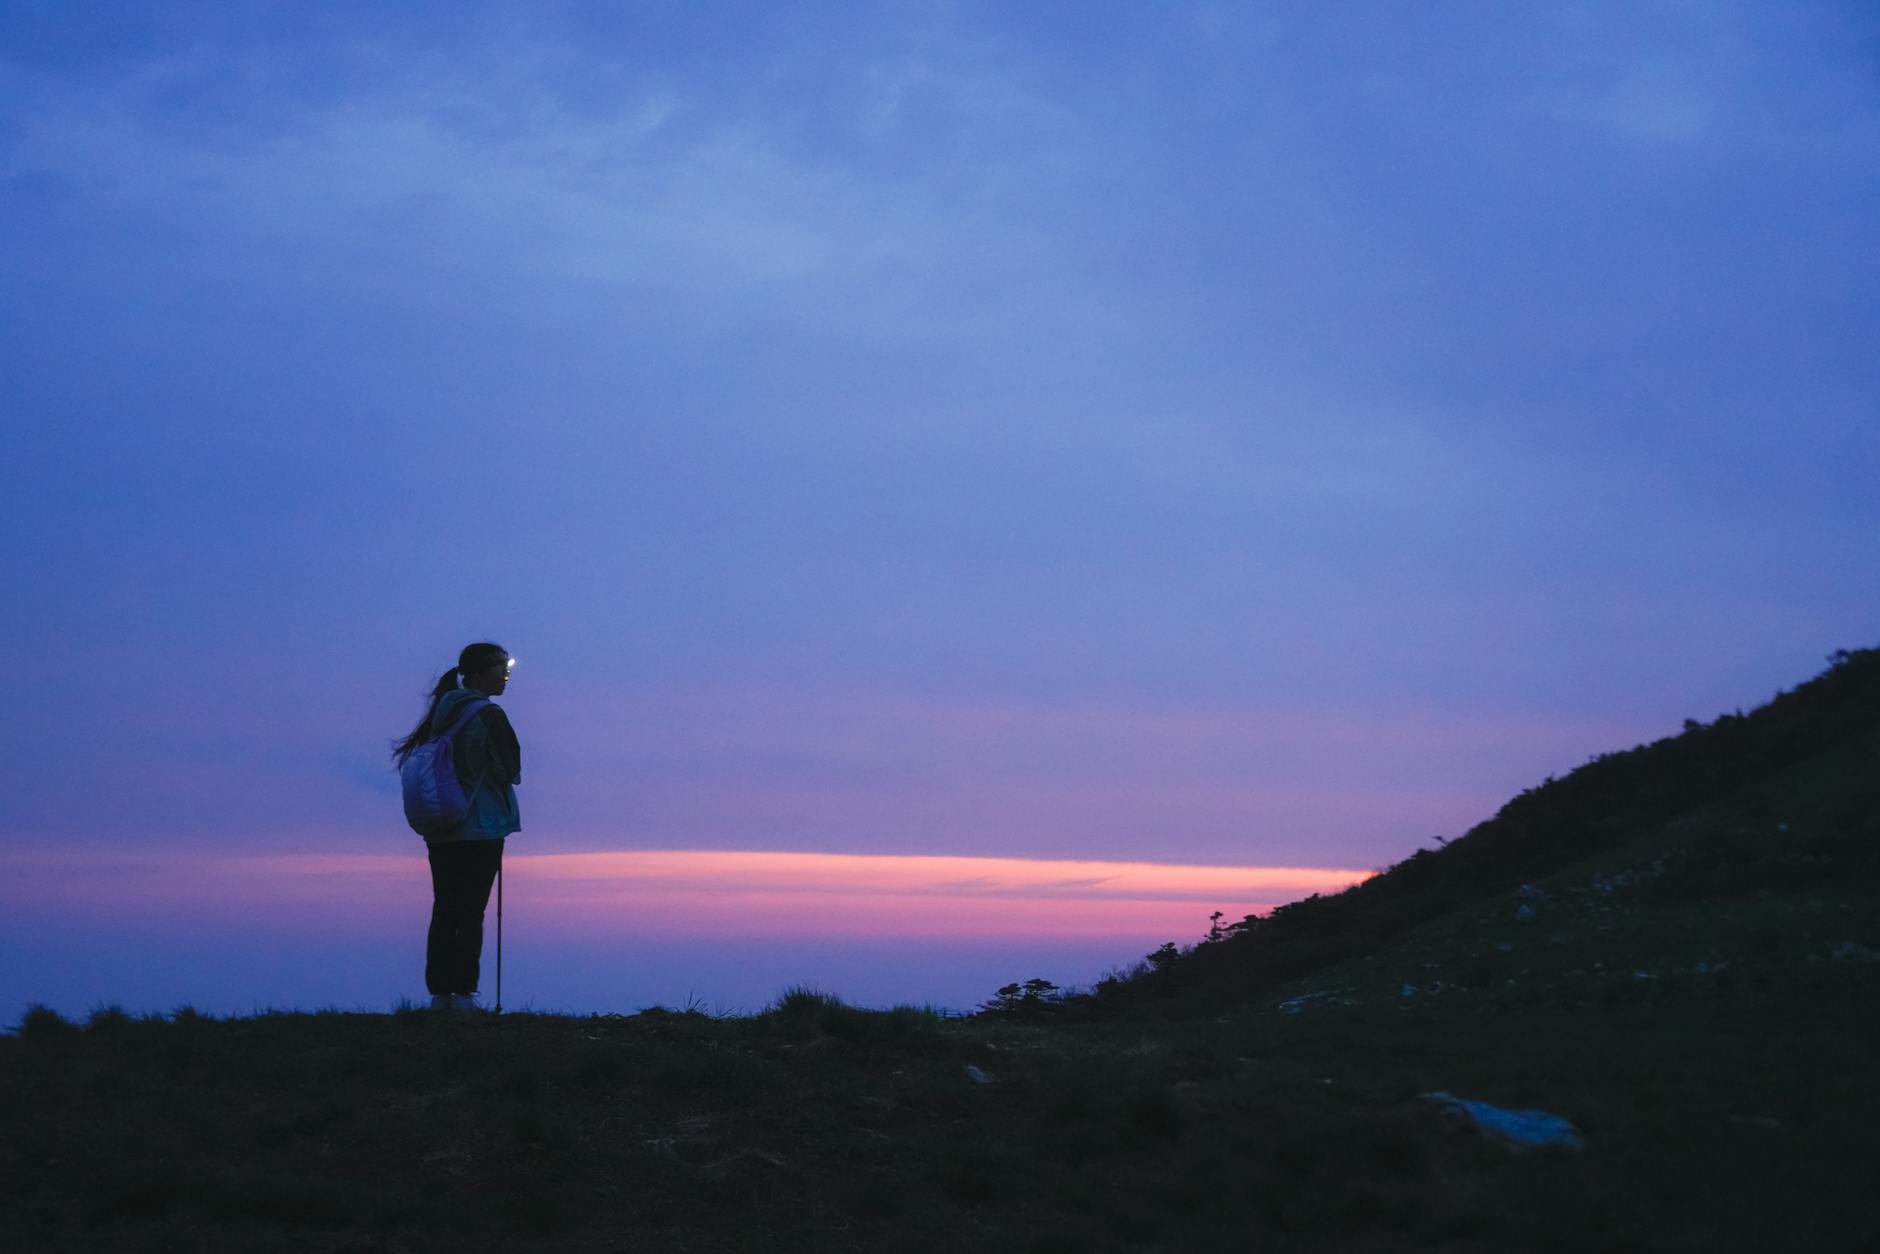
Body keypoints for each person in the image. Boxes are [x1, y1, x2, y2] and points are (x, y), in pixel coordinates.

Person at [391, 642, 521, 1011]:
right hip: (480, 824)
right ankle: (463, 993)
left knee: (446, 906)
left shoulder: (442, 712)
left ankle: (440, 994)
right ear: (479, 673)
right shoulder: (489, 715)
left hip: (441, 824)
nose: (506, 676)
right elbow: (509, 770)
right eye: (501, 668)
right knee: (472, 909)